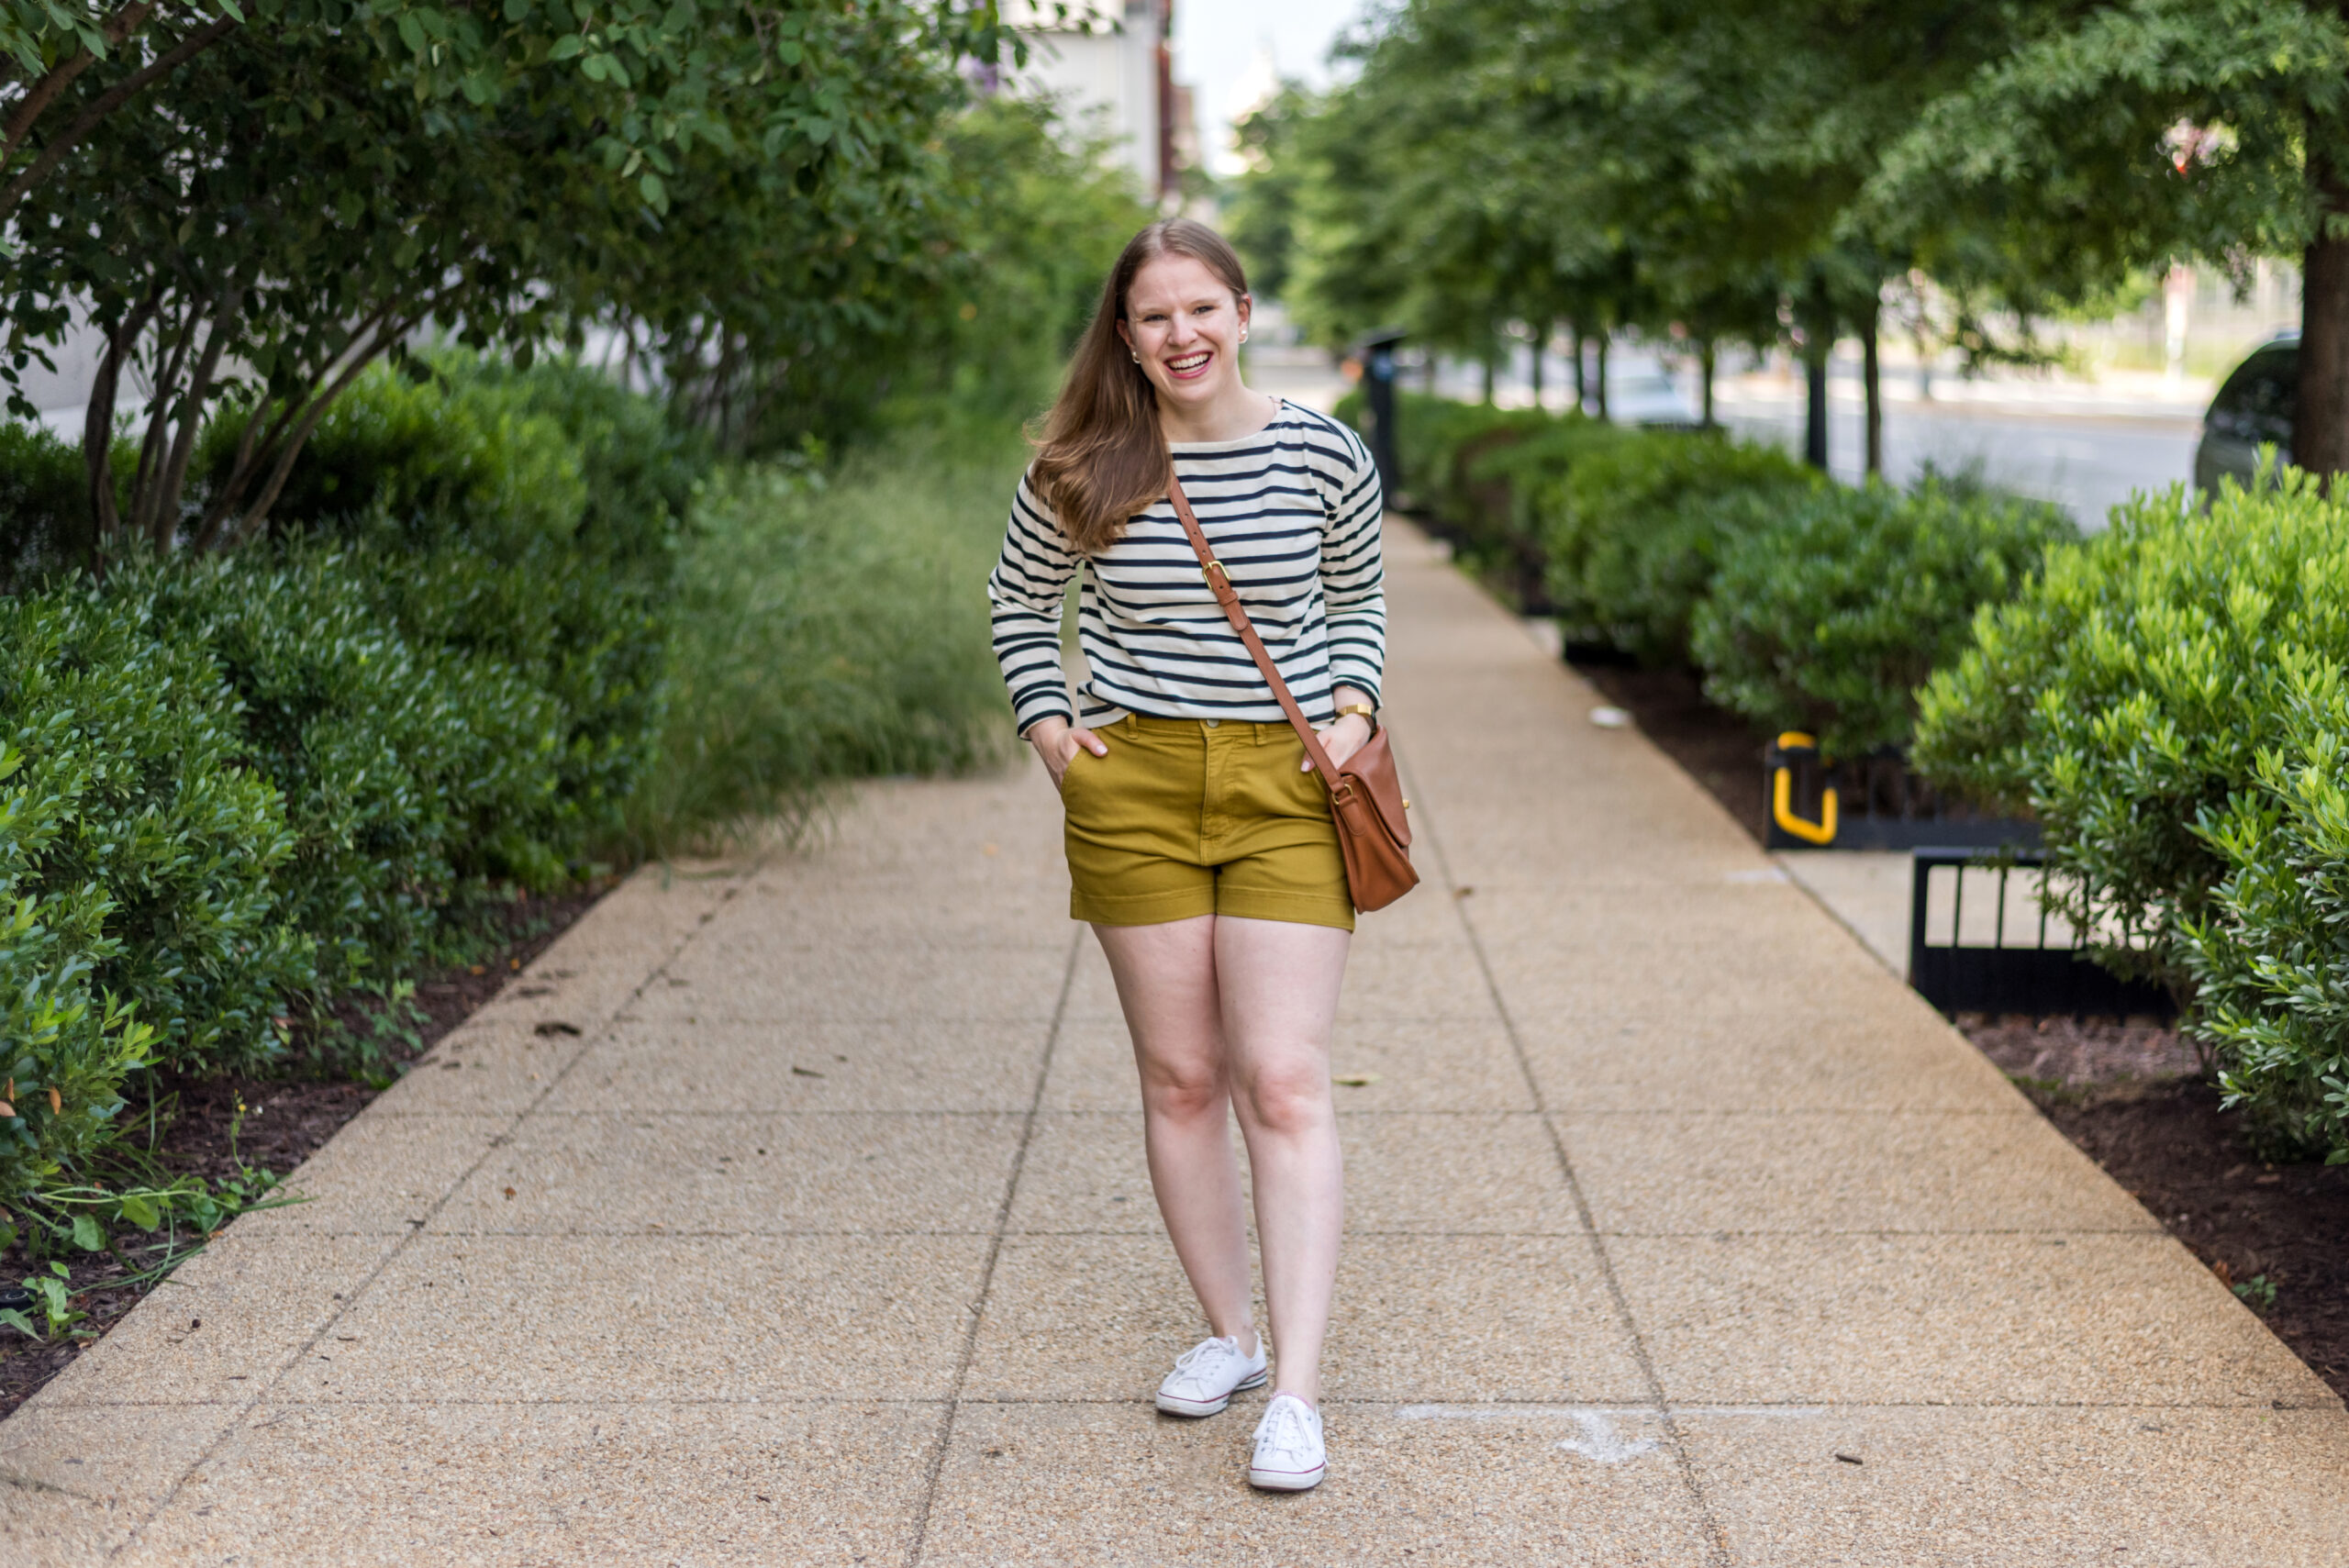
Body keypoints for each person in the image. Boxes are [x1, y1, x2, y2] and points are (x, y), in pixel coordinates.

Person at [986, 217, 1385, 1493]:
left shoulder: (1325, 453)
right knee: (1178, 1076)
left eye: (1202, 308)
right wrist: (1052, 733)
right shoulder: (1083, 463)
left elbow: (1358, 595)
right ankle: (1231, 1334)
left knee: (1281, 1078)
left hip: (1285, 783)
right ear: (1126, 333)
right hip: (1137, 783)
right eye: (1154, 315)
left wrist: (1355, 710)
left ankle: (1300, 1397)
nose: (1182, 334)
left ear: (1245, 311)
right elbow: (1015, 602)